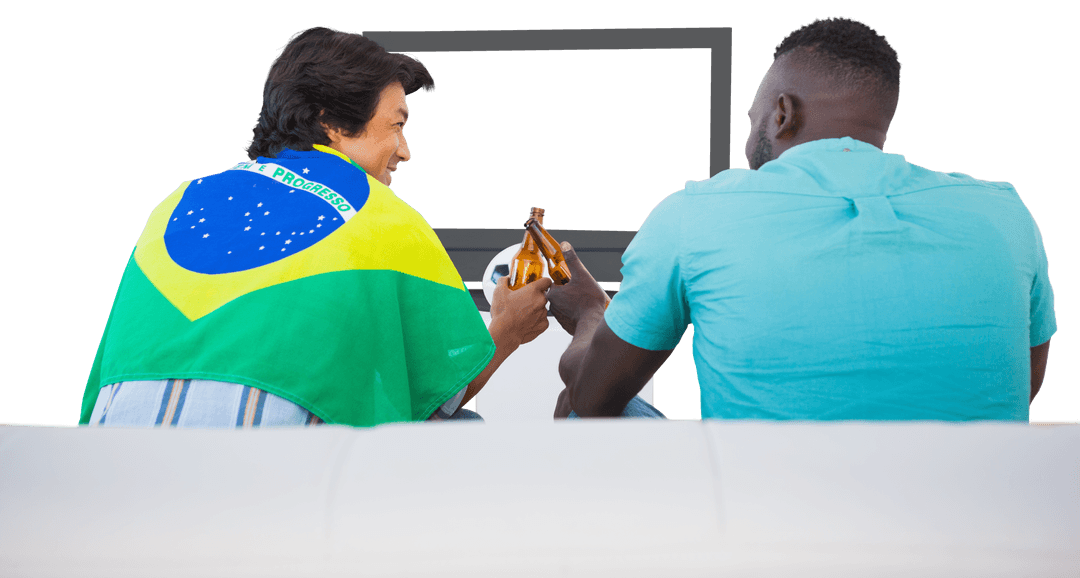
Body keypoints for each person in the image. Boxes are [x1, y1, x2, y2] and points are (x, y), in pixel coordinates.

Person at [548, 16, 1055, 421]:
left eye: (752, 121)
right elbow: (1019, 384)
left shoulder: (695, 212)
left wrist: (592, 313)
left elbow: (596, 400)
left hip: (768, 532)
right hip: (975, 529)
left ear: (782, 114)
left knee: (578, 409)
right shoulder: (1006, 215)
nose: (749, 140)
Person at [79, 26, 551, 428]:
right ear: (330, 122)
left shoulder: (174, 202)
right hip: (277, 490)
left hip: (115, 468)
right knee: (462, 429)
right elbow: (438, 404)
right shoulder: (381, 215)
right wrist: (507, 327)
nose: (405, 150)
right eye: (396, 125)